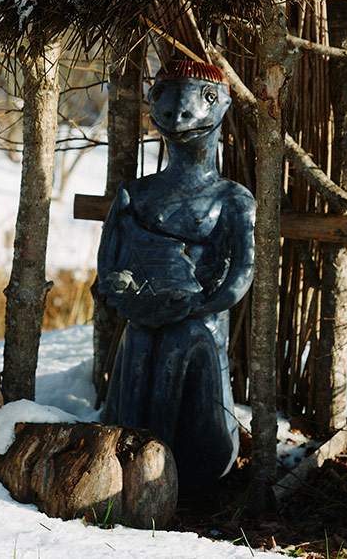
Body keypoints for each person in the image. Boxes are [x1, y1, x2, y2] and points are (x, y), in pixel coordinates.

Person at [96, 60, 255, 487]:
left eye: (203, 98)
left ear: (221, 106)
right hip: (145, 314)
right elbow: (108, 265)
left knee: (184, 341)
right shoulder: (136, 193)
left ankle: (167, 468)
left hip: (198, 320)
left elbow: (241, 273)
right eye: (164, 98)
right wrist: (122, 293)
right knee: (140, 338)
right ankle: (122, 461)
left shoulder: (231, 199)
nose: (178, 113)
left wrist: (198, 305)